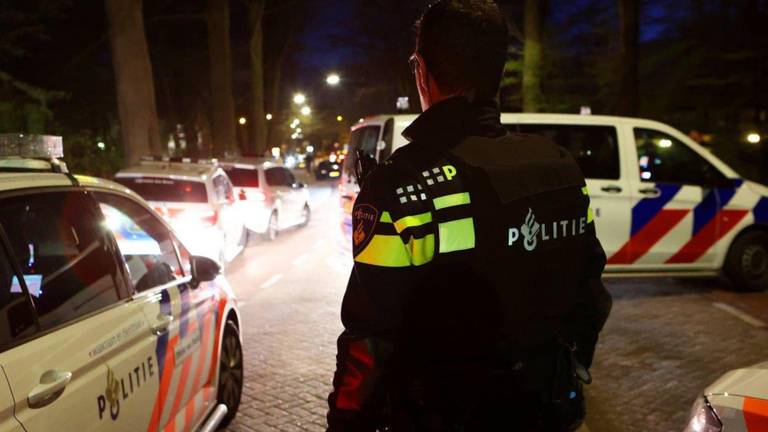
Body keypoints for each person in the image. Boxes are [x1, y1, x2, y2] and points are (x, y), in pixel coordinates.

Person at [327, 1, 612, 430]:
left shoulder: (401, 188)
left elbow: (370, 340)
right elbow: (590, 297)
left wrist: (344, 423)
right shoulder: (561, 169)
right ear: (498, 70)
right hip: (548, 411)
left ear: (420, 70)